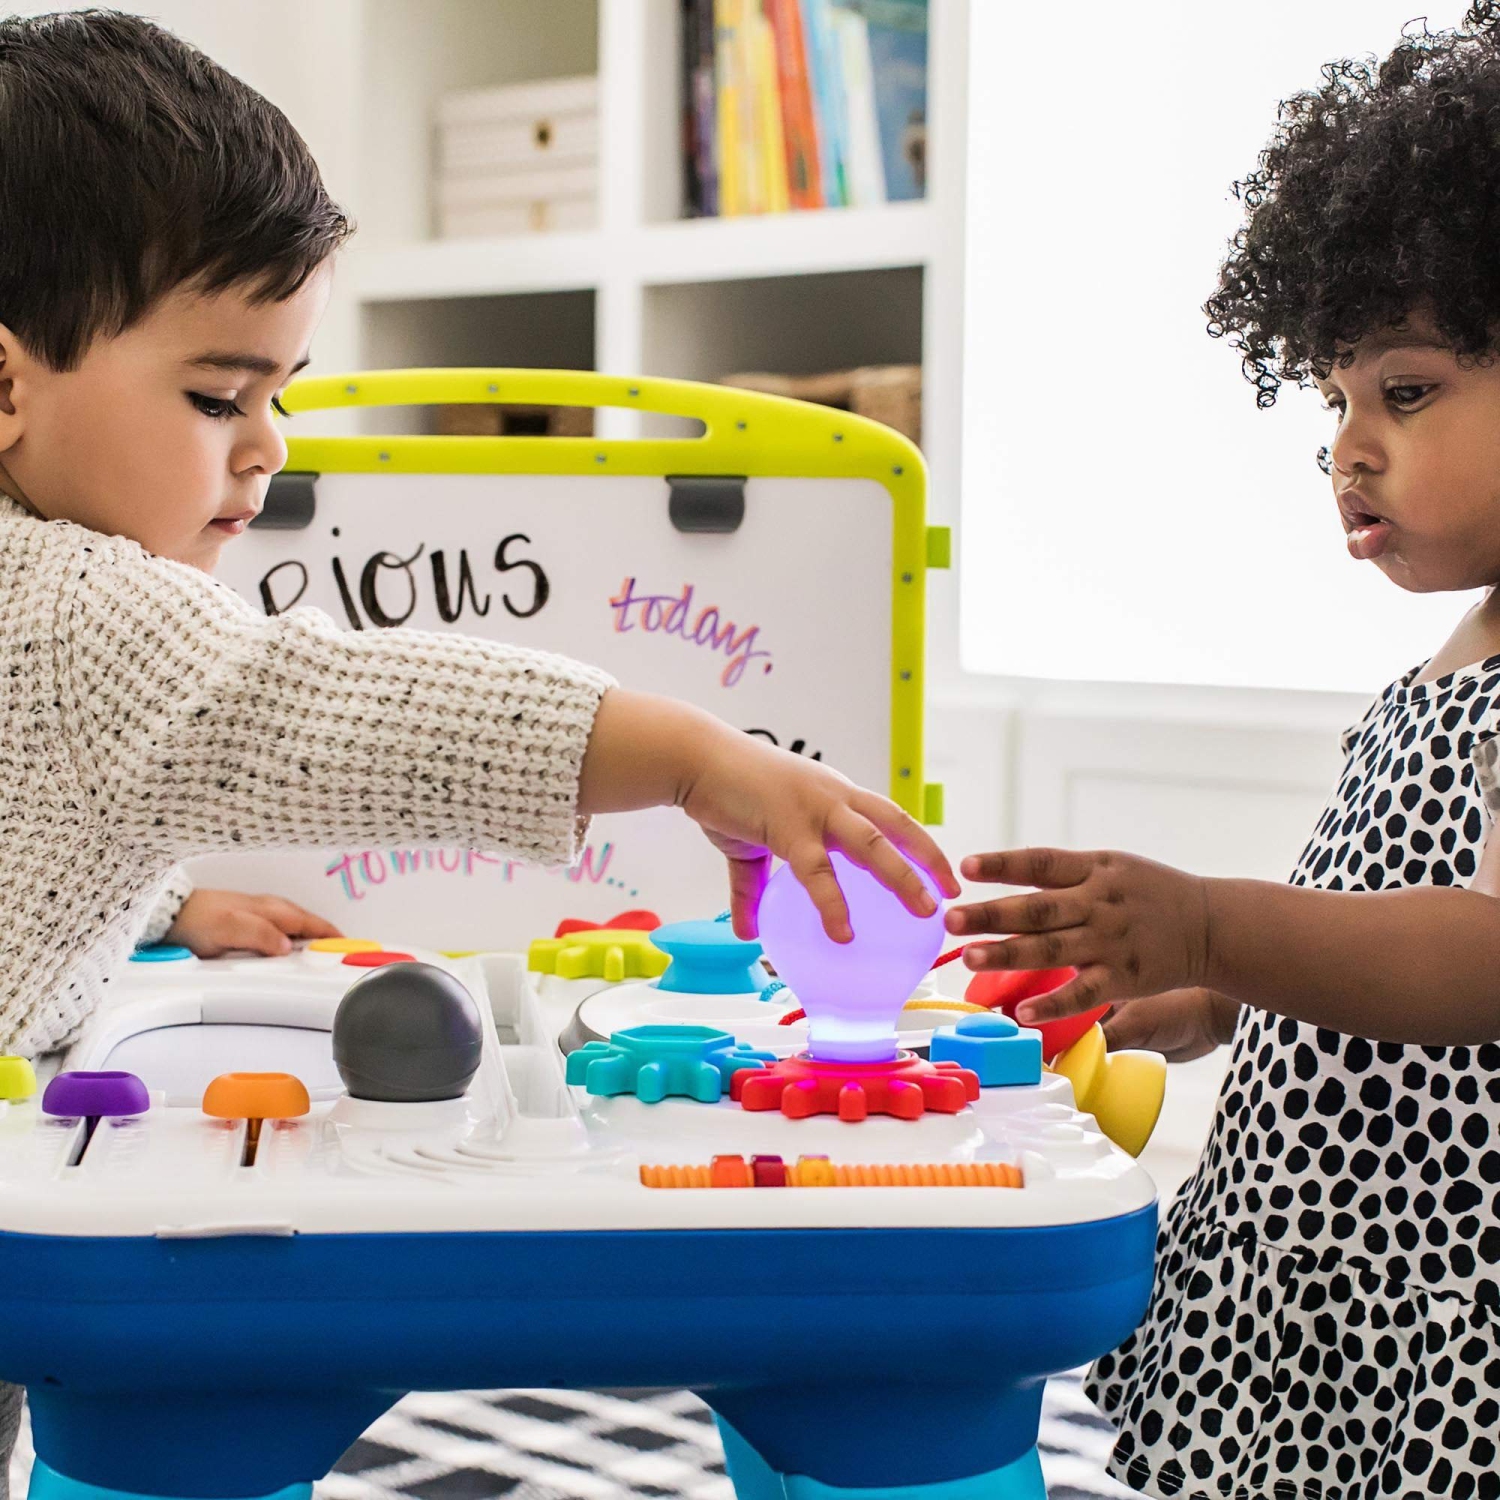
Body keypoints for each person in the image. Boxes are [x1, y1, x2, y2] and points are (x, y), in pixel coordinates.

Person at [0, 12, 958, 1491]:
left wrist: (166, 897)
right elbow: (352, 712)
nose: (267, 447)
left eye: (281, 393)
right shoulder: (84, 605)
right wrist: (688, 756)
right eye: (217, 397)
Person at [950, 7, 1500, 1497]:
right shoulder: (1451, 659)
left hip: (1442, 1295)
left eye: (1406, 392)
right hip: (1336, 1258)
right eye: (1334, 402)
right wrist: (1216, 995)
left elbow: (1484, 956)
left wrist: (1210, 923)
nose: (1349, 449)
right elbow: (1380, 937)